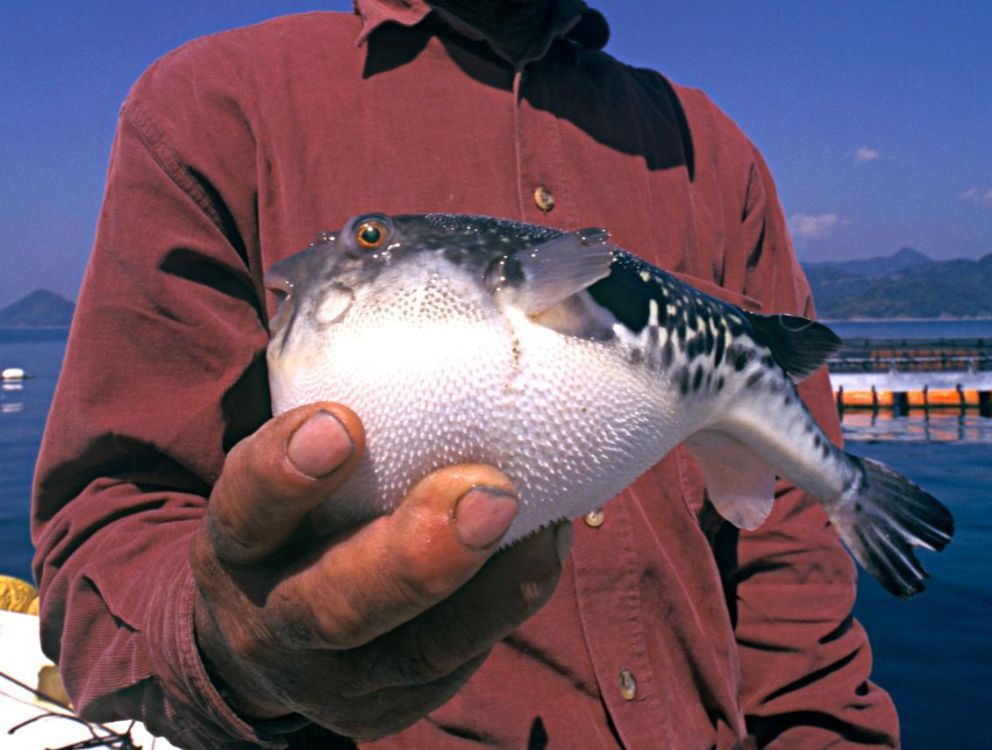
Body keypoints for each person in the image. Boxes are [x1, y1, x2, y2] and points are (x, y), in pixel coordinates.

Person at [32, 1, 901, 748]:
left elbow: (788, 550)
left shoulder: (713, 152)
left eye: (368, 244)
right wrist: (234, 650)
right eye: (361, 243)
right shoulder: (215, 108)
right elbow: (109, 528)